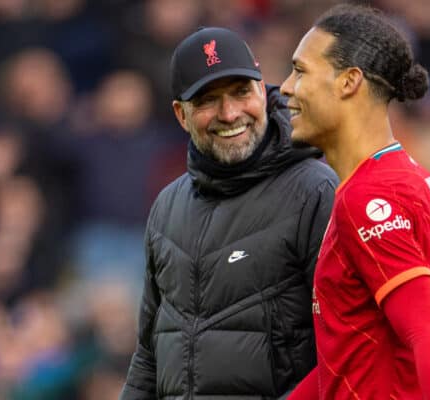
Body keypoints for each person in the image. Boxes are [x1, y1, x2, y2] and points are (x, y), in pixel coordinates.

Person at [119, 27, 338, 399]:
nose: (229, 113)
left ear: (261, 88)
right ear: (181, 115)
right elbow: (148, 357)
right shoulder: (167, 207)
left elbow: (343, 352)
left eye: (240, 92)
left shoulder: (315, 191)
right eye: (207, 100)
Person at [280, 4, 430, 399]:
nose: (286, 86)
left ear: (349, 82)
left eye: (300, 71)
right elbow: (349, 358)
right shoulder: (405, 178)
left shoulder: (372, 196)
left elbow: (429, 335)